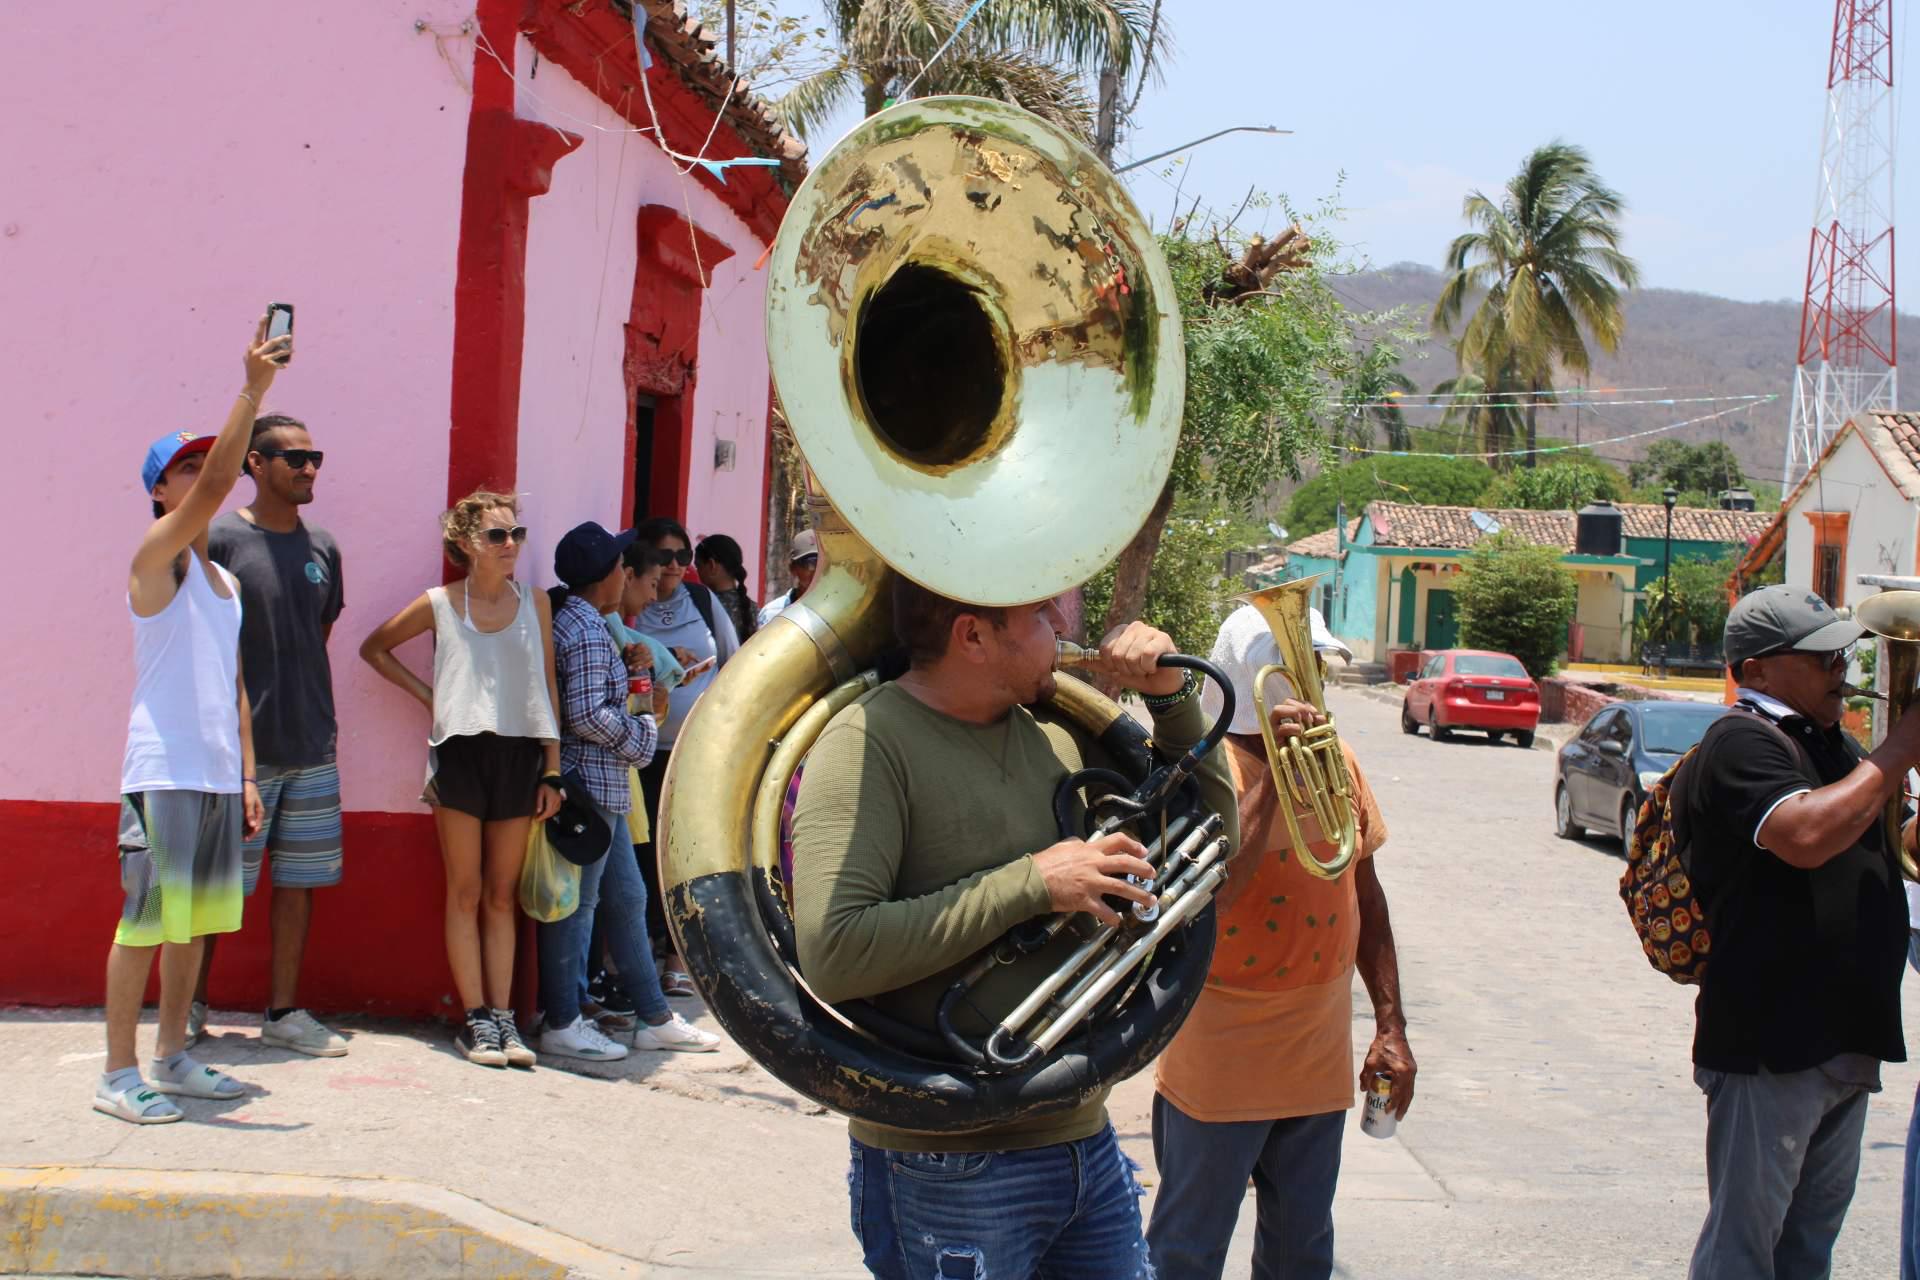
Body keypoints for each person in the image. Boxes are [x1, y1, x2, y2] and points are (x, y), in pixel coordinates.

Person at [790, 579, 1238, 1279]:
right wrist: (1032, 884)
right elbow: (834, 950)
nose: (1062, 624)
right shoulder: (867, 742)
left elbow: (1209, 844)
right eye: (1038, 613)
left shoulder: (1058, 730)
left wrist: (1171, 700)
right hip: (945, 1157)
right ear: (973, 637)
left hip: (1083, 1132)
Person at [1147, 604, 1413, 1280]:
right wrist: (1276, 778)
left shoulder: (1339, 762)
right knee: (1186, 1249)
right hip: (1220, 1051)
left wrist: (1391, 1024)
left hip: (1317, 1052)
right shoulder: (1204, 773)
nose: (1315, 678)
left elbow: (1367, 896)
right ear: (1250, 678)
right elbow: (1214, 894)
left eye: (1316, 665)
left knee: (1301, 1251)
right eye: (1299, 665)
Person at [1680, 584, 1920, 1280]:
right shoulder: (1739, 741)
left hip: (1844, 1038)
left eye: (1843, 653)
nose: (1840, 668)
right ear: (1755, 670)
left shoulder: (1834, 744)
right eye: (1819, 658)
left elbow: (1897, 844)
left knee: (1805, 1256)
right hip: (1771, 1044)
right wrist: (1903, 744)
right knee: (1743, 1256)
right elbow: (1805, 835)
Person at [97, 318, 288, 1124]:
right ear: (160, 491)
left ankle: (173, 1056)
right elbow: (217, 487)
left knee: (193, 927)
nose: (201, 474)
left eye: (199, 461)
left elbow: (233, 683)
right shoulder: (153, 559)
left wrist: (244, 773)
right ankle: (117, 1075)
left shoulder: (223, 582)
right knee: (144, 923)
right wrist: (251, 389)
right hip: (163, 771)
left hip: (212, 773)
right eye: (184, 467)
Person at [358, 491, 564, 1068]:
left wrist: (553, 769)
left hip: (521, 756)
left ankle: (504, 1020)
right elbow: (374, 647)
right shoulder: (440, 604)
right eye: (498, 536)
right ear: (467, 544)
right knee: (466, 890)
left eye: (516, 534)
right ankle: (476, 1021)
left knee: (503, 896)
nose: (510, 546)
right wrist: (431, 699)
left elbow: (546, 688)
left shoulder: (537, 604)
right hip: (459, 754)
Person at [192, 413, 349, 1059]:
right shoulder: (222, 539)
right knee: (215, 889)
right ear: (255, 464)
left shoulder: (324, 549)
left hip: (313, 745)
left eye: (316, 457)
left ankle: (284, 1014)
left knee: (299, 885)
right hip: (236, 756)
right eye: (295, 458)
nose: (309, 468)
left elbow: (320, 636)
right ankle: (188, 1009)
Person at [538, 522, 719, 1060]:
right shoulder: (588, 629)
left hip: (605, 785)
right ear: (606, 577)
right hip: (590, 784)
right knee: (580, 905)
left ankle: (653, 1016)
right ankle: (563, 1021)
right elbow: (587, 714)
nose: (630, 573)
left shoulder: (586, 622)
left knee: (627, 897)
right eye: (621, 566)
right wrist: (642, 735)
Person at [632, 516, 737, 998]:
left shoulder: (703, 601)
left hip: (691, 753)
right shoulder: (634, 604)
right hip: (639, 750)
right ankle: (639, 950)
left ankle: (677, 959)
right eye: (665, 556)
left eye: (683, 556)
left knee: (680, 854)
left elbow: (735, 667)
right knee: (639, 855)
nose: (674, 566)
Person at [695, 532, 757, 643]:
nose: (697, 572)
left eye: (698, 566)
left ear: (711, 565)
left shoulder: (703, 608)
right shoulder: (753, 609)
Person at [756, 529, 819, 630]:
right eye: (810, 564)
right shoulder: (773, 613)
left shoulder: (839, 612)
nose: (817, 571)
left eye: (822, 564)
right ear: (793, 569)